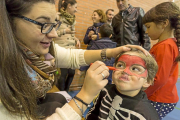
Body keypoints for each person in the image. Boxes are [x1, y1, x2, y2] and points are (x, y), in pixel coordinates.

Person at [0, 0, 150, 119]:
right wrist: (85, 95)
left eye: (54, 24)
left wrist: (111, 52)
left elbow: (73, 56)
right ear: (9, 21)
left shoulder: (36, 51)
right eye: (43, 24)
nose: (54, 34)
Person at [86, 48, 159, 120]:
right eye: (120, 65)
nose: (125, 71)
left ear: (147, 81)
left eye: (135, 69)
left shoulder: (146, 114)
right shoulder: (105, 90)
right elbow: (93, 113)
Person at [142, 2, 180, 119]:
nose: (146, 32)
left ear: (164, 24)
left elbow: (159, 79)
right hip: (160, 97)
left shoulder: (165, 46)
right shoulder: (166, 44)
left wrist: (141, 94)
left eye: (148, 27)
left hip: (159, 99)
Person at [55, 0, 80, 92]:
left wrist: (76, 40)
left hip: (71, 51)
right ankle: (60, 93)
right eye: (75, 7)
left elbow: (71, 35)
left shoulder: (72, 19)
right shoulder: (57, 17)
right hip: (62, 50)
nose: (76, 10)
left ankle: (66, 92)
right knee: (62, 75)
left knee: (71, 73)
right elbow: (50, 33)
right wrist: (64, 31)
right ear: (69, 6)